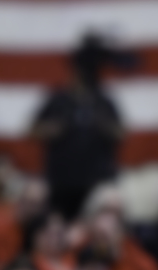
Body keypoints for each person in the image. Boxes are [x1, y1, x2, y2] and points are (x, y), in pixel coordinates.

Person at [32, 33, 128, 220]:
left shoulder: (103, 100)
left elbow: (121, 133)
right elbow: (32, 130)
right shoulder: (58, 99)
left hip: (97, 181)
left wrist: (104, 126)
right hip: (62, 182)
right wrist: (53, 129)